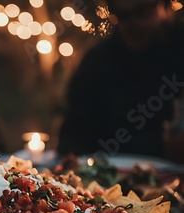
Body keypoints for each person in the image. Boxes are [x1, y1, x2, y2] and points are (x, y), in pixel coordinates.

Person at [58, 0, 184, 158]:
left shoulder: (179, 48)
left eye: (143, 11)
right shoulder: (97, 62)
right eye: (124, 15)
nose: (135, 23)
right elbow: (72, 135)